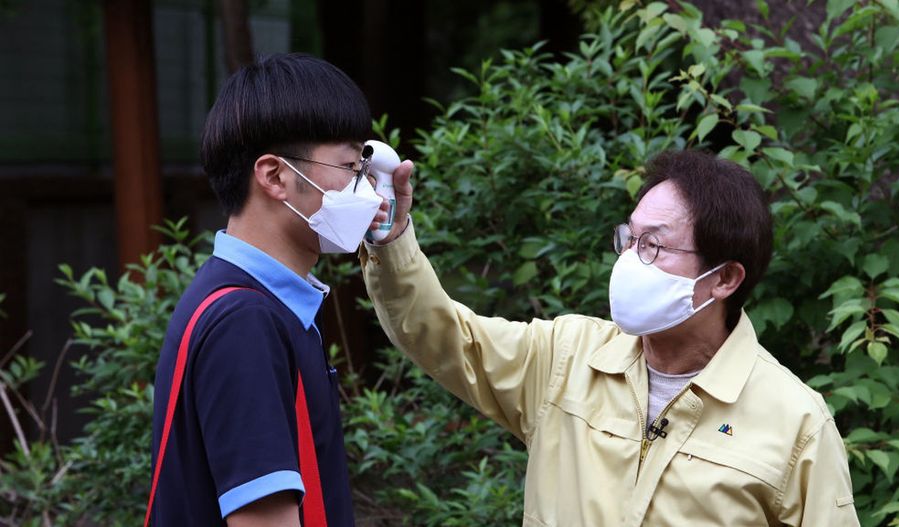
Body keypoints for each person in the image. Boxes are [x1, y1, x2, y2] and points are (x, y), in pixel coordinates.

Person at [362, 150, 860, 526]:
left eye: (654, 245)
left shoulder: (796, 422)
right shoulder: (567, 357)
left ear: (725, 278)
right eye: (630, 238)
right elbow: (443, 335)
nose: (628, 260)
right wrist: (391, 237)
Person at [150, 53, 402, 526]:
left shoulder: (258, 304)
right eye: (351, 167)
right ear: (275, 176)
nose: (366, 189)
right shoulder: (245, 322)